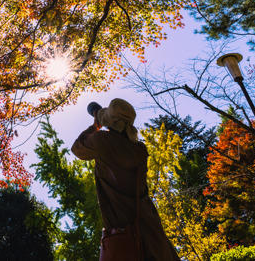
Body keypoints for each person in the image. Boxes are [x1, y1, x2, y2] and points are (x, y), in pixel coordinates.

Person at [72, 98, 181, 261]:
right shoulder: (140, 150)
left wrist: (95, 126)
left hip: (123, 237)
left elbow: (77, 148)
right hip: (152, 233)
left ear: (109, 121)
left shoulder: (102, 140)